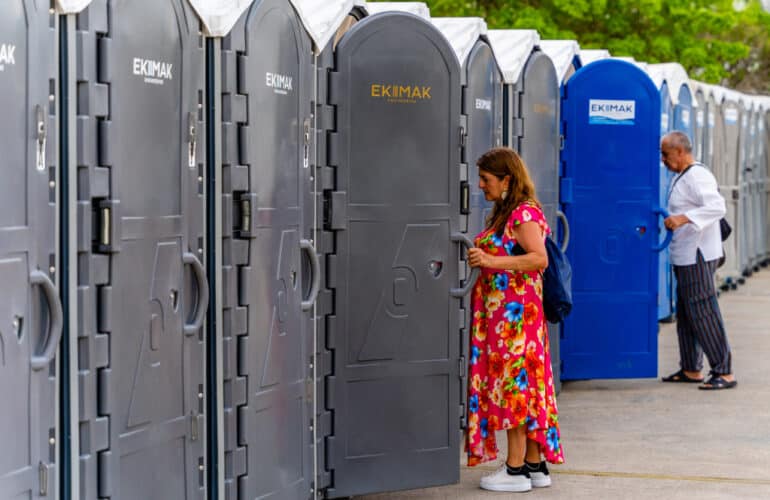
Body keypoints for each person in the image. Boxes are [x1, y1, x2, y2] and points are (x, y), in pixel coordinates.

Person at [465, 147, 564, 493]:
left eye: (486, 179)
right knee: (526, 388)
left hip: (515, 321)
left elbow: (538, 260)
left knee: (514, 389)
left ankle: (516, 469)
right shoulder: (512, 211)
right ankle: (535, 465)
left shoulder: (521, 214)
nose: (480, 185)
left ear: (506, 180)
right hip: (515, 318)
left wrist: (490, 261)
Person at [660, 131, 737, 390]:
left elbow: (717, 207)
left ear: (681, 152)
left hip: (698, 254)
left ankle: (723, 371)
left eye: (666, 155)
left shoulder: (697, 175)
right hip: (685, 254)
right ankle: (691, 368)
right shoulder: (682, 176)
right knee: (686, 313)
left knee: (703, 312)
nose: (663, 160)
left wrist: (682, 218)